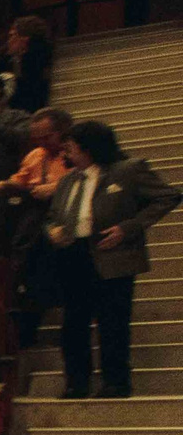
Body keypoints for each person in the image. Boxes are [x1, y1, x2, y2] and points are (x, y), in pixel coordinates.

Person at [44, 120, 176, 399]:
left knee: (112, 321)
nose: (66, 154)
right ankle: (76, 382)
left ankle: (115, 382)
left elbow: (167, 196)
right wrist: (52, 229)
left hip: (111, 252)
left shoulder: (128, 170)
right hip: (72, 254)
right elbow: (53, 216)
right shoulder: (68, 180)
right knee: (73, 323)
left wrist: (129, 227)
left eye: (70, 148)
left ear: (89, 148)